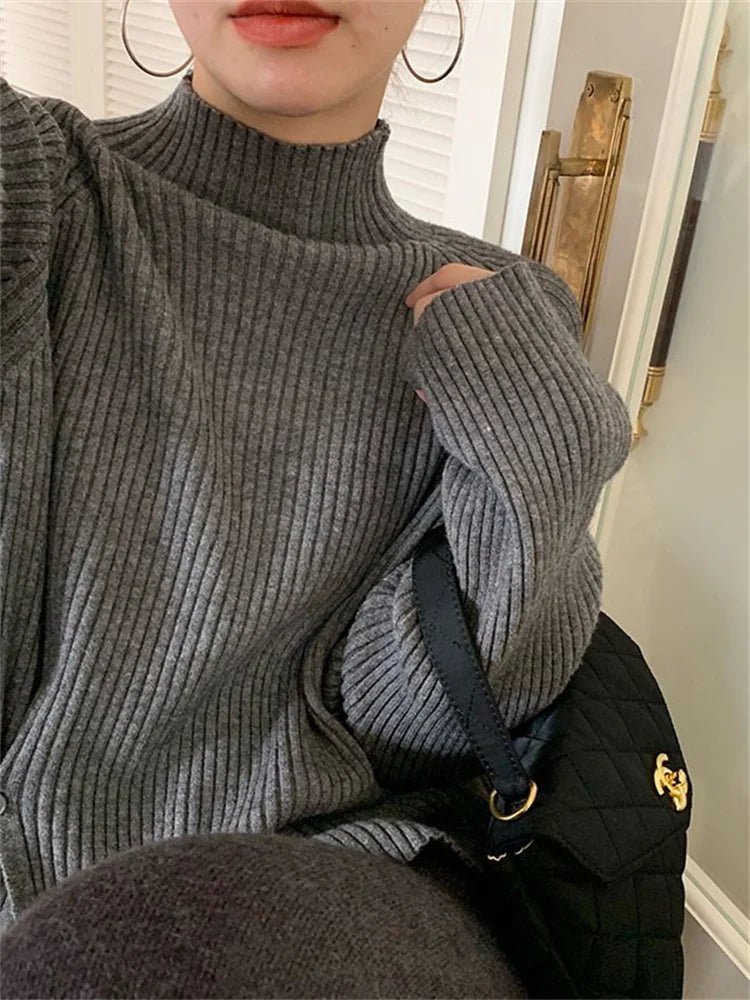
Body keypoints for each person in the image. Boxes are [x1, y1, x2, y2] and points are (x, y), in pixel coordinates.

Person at [0, 0, 633, 994]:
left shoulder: (496, 314)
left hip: (333, 886)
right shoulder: (37, 189)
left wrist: (548, 446)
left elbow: (428, 730)